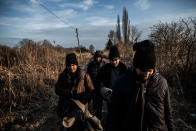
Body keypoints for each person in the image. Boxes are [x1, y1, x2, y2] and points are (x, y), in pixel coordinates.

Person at [106, 40, 174, 131]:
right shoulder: (122, 83)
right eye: (143, 70)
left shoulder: (162, 83)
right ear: (135, 66)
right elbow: (113, 116)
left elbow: (168, 113)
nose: (146, 74)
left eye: (150, 70)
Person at [55, 53, 95, 131]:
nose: (71, 67)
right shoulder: (62, 76)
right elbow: (57, 89)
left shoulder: (84, 75)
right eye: (69, 65)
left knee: (81, 126)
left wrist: (83, 100)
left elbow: (91, 89)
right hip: (67, 107)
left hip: (81, 107)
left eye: (73, 65)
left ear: (76, 64)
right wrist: (68, 92)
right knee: (67, 126)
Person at [95, 46, 127, 119]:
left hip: (121, 93)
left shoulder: (123, 67)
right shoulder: (105, 68)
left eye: (116, 59)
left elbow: (127, 81)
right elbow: (97, 80)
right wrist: (101, 89)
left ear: (119, 59)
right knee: (111, 111)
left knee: (121, 112)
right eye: (112, 60)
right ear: (109, 60)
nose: (114, 62)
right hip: (109, 94)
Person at [87, 51, 106, 115]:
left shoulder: (103, 64)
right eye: (97, 57)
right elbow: (88, 75)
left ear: (101, 57)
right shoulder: (91, 65)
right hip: (93, 85)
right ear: (95, 57)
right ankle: (95, 113)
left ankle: (99, 114)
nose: (98, 59)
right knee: (94, 100)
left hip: (101, 85)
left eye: (99, 57)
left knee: (100, 100)